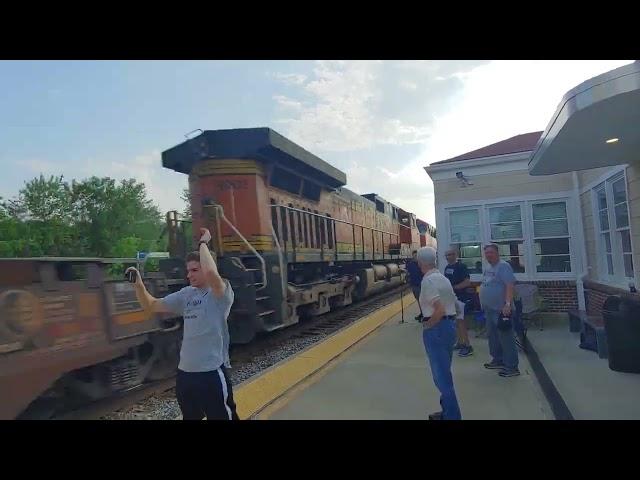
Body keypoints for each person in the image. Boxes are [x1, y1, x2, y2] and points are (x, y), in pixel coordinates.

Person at [126, 227, 238, 419]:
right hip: (186, 374)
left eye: (194, 270)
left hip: (211, 373)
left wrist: (203, 242)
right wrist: (138, 284)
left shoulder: (220, 293)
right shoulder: (186, 294)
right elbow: (151, 305)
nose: (189, 275)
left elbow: (211, 272)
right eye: (188, 271)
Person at [417, 246, 462, 420]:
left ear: (421, 263)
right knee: (444, 374)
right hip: (449, 326)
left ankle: (452, 416)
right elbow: (455, 306)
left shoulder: (428, 281)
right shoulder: (442, 278)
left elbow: (439, 309)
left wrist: (428, 325)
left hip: (437, 329)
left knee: (441, 378)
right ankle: (447, 411)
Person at [479, 244, 519, 377]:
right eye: (486, 253)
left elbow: (509, 285)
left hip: (501, 310)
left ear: (497, 253)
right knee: (493, 337)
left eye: (491, 252)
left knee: (506, 338)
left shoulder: (503, 266)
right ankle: (498, 359)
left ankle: (512, 367)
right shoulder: (488, 267)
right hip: (489, 309)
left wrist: (507, 304)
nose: (488, 255)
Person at [444, 247, 474, 357]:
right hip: (452, 298)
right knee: (456, 322)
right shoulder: (447, 268)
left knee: (461, 322)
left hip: (461, 298)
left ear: (455, 255)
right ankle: (460, 342)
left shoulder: (461, 267)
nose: (448, 257)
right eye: (447, 255)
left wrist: (454, 287)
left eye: (451, 254)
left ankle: (468, 346)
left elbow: (467, 282)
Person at [406, 250, 425, 321]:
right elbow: (408, 273)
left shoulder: (421, 264)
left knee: (422, 300)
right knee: (418, 300)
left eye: (416, 255)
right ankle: (422, 313)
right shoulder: (410, 264)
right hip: (414, 284)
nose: (415, 257)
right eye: (414, 255)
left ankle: (425, 314)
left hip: (421, 285)